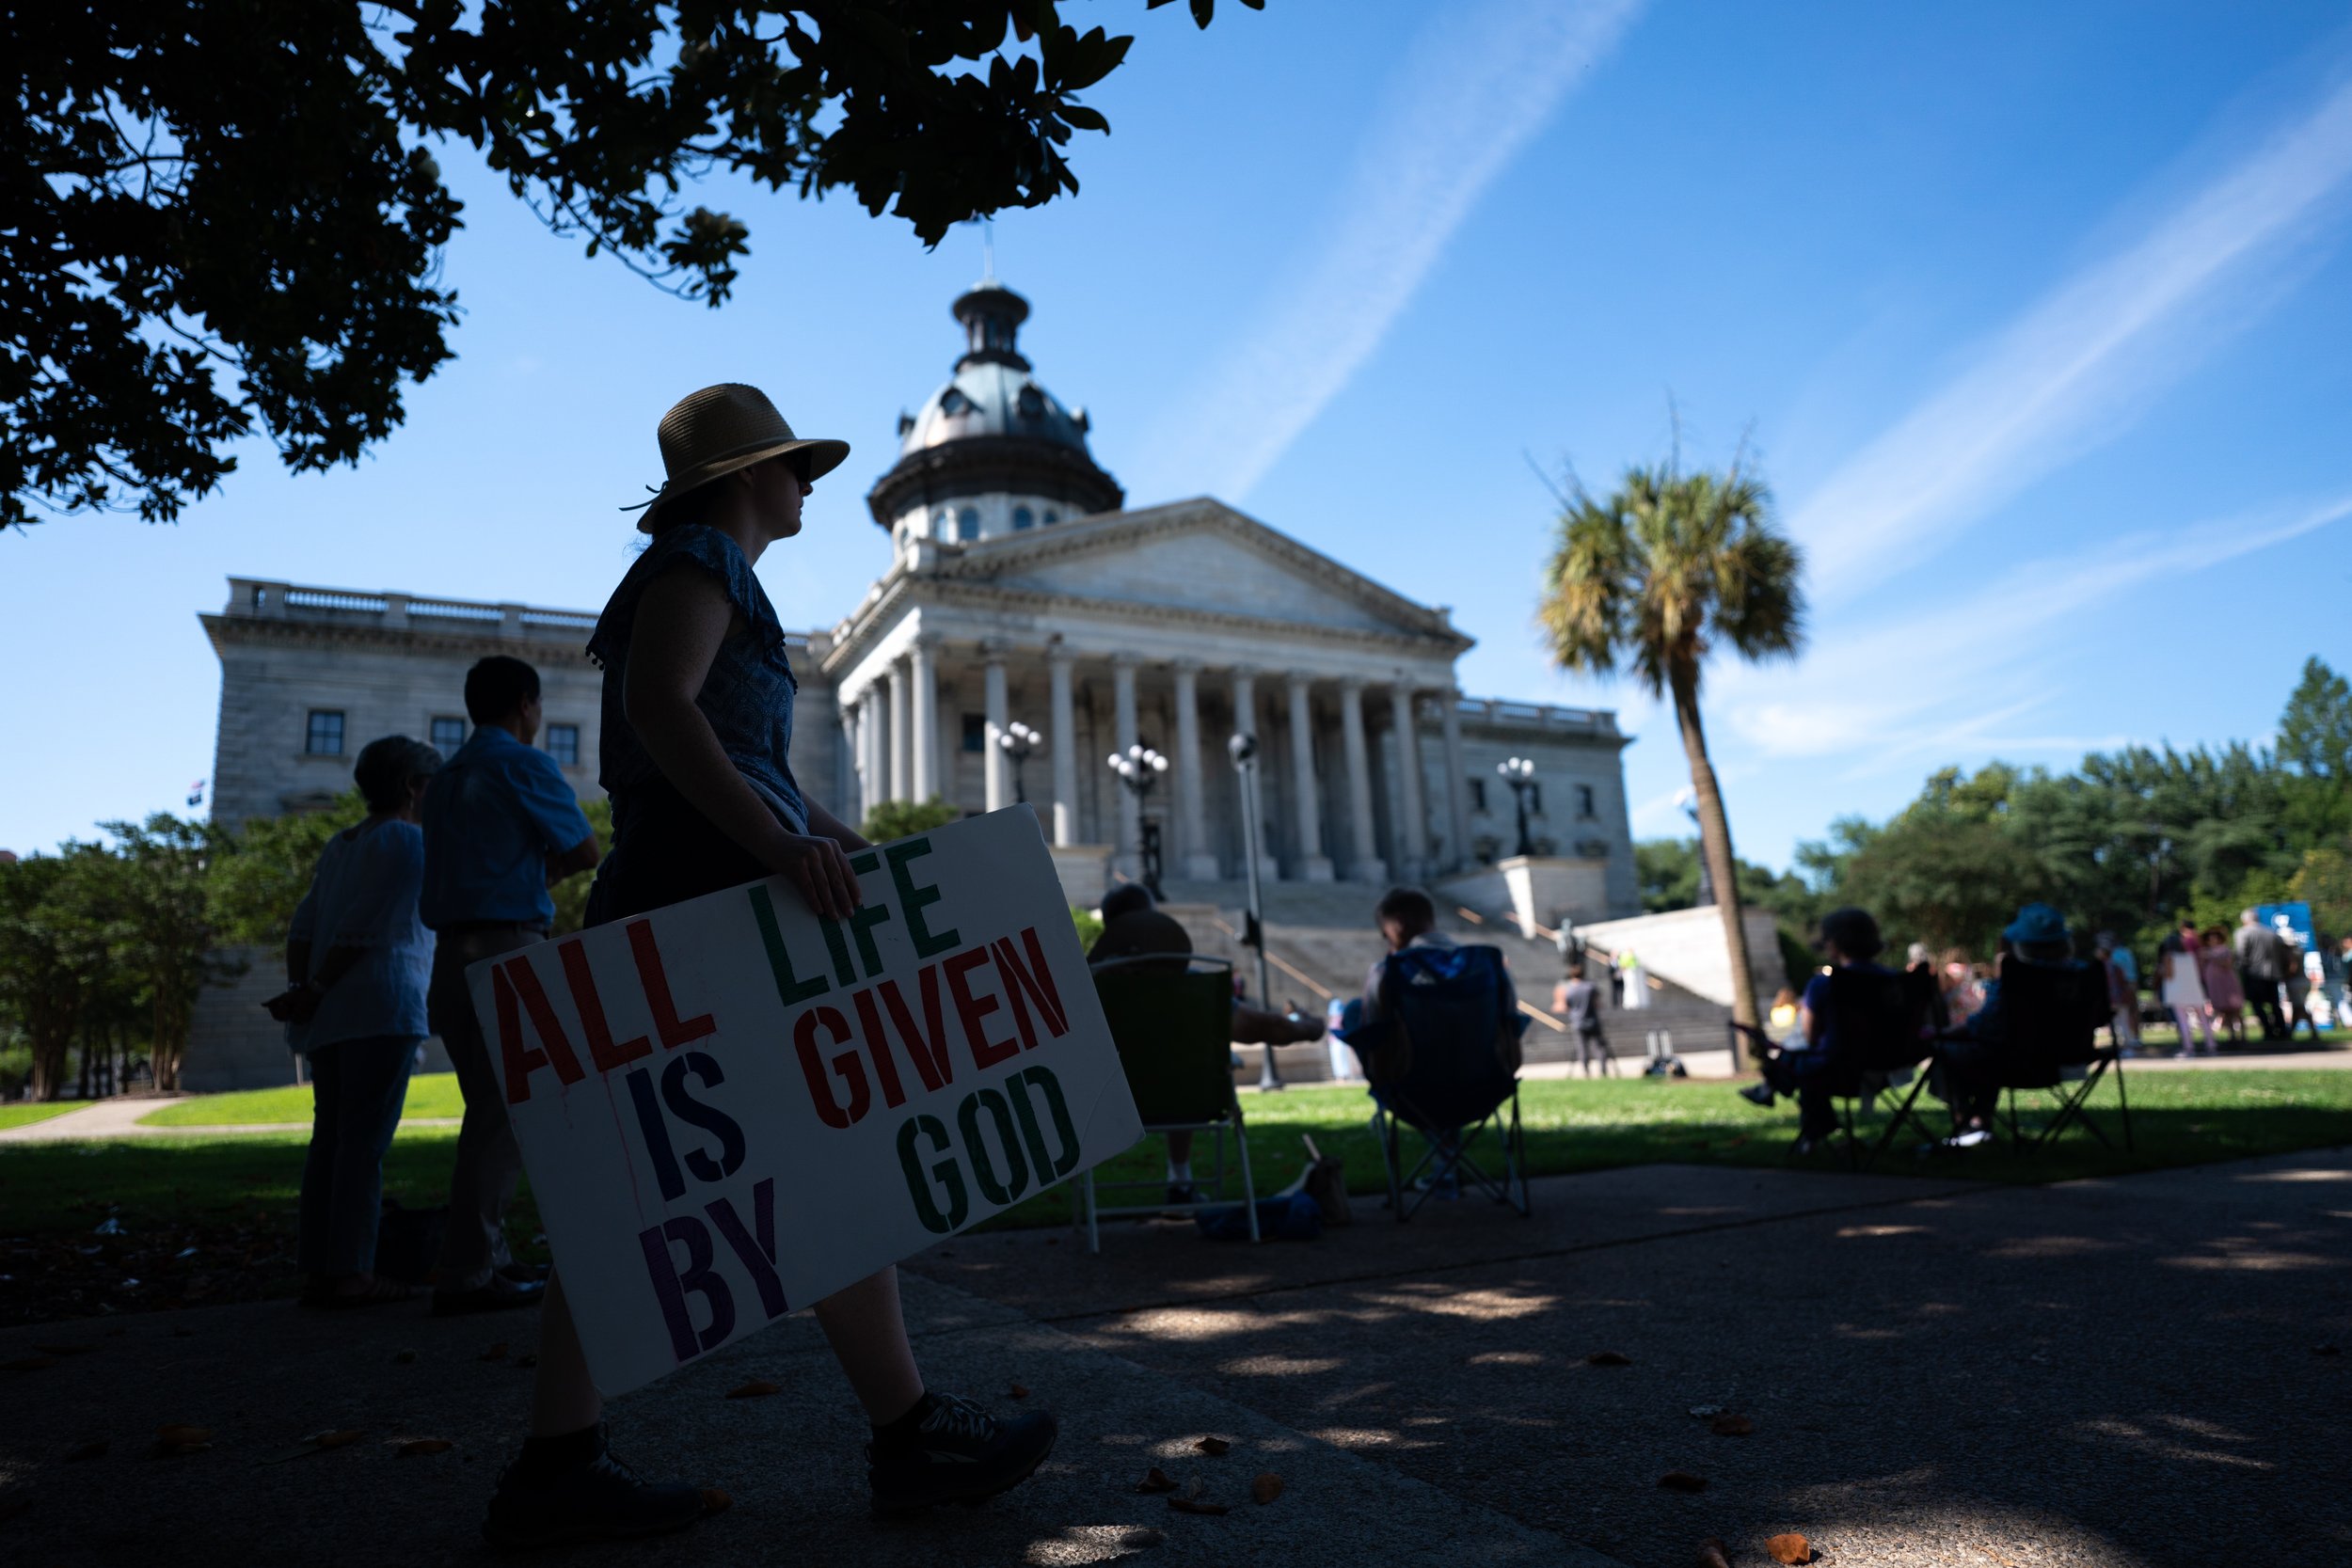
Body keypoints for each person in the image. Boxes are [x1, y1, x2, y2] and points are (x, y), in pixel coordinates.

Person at [477, 386, 1051, 1546]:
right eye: (796, 467)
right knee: (804, 1158)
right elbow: (661, 709)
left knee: (665, 1185)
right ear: (744, 475)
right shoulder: (700, 559)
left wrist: (861, 850)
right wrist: (779, 845)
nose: (808, 486)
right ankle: (903, 1431)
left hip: (700, 874)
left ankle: (564, 1458)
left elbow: (757, 769)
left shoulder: (717, 574)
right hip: (702, 886)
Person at [419, 656, 599, 1317]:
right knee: (506, 1117)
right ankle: (468, 1271)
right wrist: (539, 876)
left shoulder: (442, 780)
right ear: (527, 703)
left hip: (449, 955)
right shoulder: (523, 764)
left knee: (489, 1113)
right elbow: (585, 850)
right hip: (505, 947)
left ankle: (488, 1254)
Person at [272, 736, 440, 1308]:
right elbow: (366, 928)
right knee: (362, 1147)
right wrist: (316, 988)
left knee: (330, 1142)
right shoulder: (407, 841)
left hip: (332, 1016)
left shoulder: (341, 844)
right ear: (413, 787)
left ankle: (321, 1269)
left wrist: (304, 989)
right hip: (382, 1007)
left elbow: (304, 924)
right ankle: (353, 1274)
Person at [1085, 882, 1320, 1202]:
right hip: (1192, 1101)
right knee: (1181, 1071)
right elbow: (1267, 1028)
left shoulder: (1089, 995)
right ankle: (1180, 1178)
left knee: (1171, 1068)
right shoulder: (1196, 987)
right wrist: (1311, 1027)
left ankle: (1170, 1184)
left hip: (1109, 1106)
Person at [1352, 886, 1522, 1196]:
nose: (1385, 940)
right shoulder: (1489, 965)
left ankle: (1444, 1162)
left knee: (1354, 1013)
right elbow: (1511, 1028)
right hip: (1487, 1088)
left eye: (1384, 932)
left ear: (1398, 924)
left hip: (1414, 1095)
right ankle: (1446, 1164)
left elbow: (1377, 1043)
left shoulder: (1389, 971)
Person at [1736, 906, 1892, 1153]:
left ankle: (1778, 1093)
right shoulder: (1897, 981)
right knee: (1806, 1063)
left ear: (1834, 944)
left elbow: (1810, 1037)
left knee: (1803, 1063)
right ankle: (1777, 1092)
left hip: (1840, 1070)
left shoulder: (1825, 985)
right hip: (1889, 1068)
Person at [1934, 902, 2080, 1146]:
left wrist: (1945, 1032)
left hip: (2015, 1063)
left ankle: (1968, 1122)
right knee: (1990, 1050)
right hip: (2067, 1058)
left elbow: (1986, 1024)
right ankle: (1978, 1121)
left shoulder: (2017, 979)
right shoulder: (2081, 976)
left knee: (1952, 1052)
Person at [2159, 922, 2216, 1056]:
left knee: (2183, 1021)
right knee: (2203, 1020)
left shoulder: (2169, 957)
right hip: (2194, 990)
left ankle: (2188, 1047)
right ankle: (2211, 1045)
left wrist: (2161, 970)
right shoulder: (2190, 956)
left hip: (2177, 991)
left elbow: (2169, 975)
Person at [2233, 909, 2290, 1042]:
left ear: (2244, 920)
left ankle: (2268, 1030)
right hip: (2273, 973)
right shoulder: (2272, 933)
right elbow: (2283, 953)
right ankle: (2282, 1030)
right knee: (2275, 1003)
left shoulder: (2243, 933)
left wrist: (2240, 969)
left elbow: (2241, 953)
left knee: (2256, 1003)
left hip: (2254, 973)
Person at [1554, 961, 1609, 1074]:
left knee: (1582, 1048)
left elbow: (1565, 1006)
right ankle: (1603, 1069)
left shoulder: (1569, 990)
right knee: (1598, 1046)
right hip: (1593, 1020)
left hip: (1578, 1022)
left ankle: (1586, 1070)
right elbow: (1597, 1002)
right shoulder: (1590, 987)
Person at [2094, 932, 2142, 1055]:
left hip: (2116, 997)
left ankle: (2128, 1045)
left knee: (2121, 1022)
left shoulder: (2109, 965)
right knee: (2125, 1020)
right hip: (2122, 993)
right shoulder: (2125, 953)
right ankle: (2131, 1042)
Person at [2197, 926, 2246, 1047]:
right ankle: (2231, 1035)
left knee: (2235, 1010)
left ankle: (2243, 1035)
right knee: (2224, 1011)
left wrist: (2212, 957)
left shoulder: (2224, 950)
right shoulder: (2205, 952)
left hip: (2227, 983)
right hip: (2215, 985)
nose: (2212, 941)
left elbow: (2228, 964)